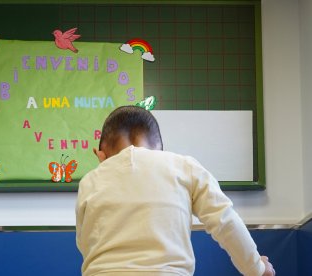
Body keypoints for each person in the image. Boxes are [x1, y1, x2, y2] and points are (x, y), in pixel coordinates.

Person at [75, 105, 275, 276]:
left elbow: (85, 243)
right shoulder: (183, 166)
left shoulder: (90, 180)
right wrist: (256, 267)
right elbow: (225, 220)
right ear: (160, 149)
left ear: (100, 155)